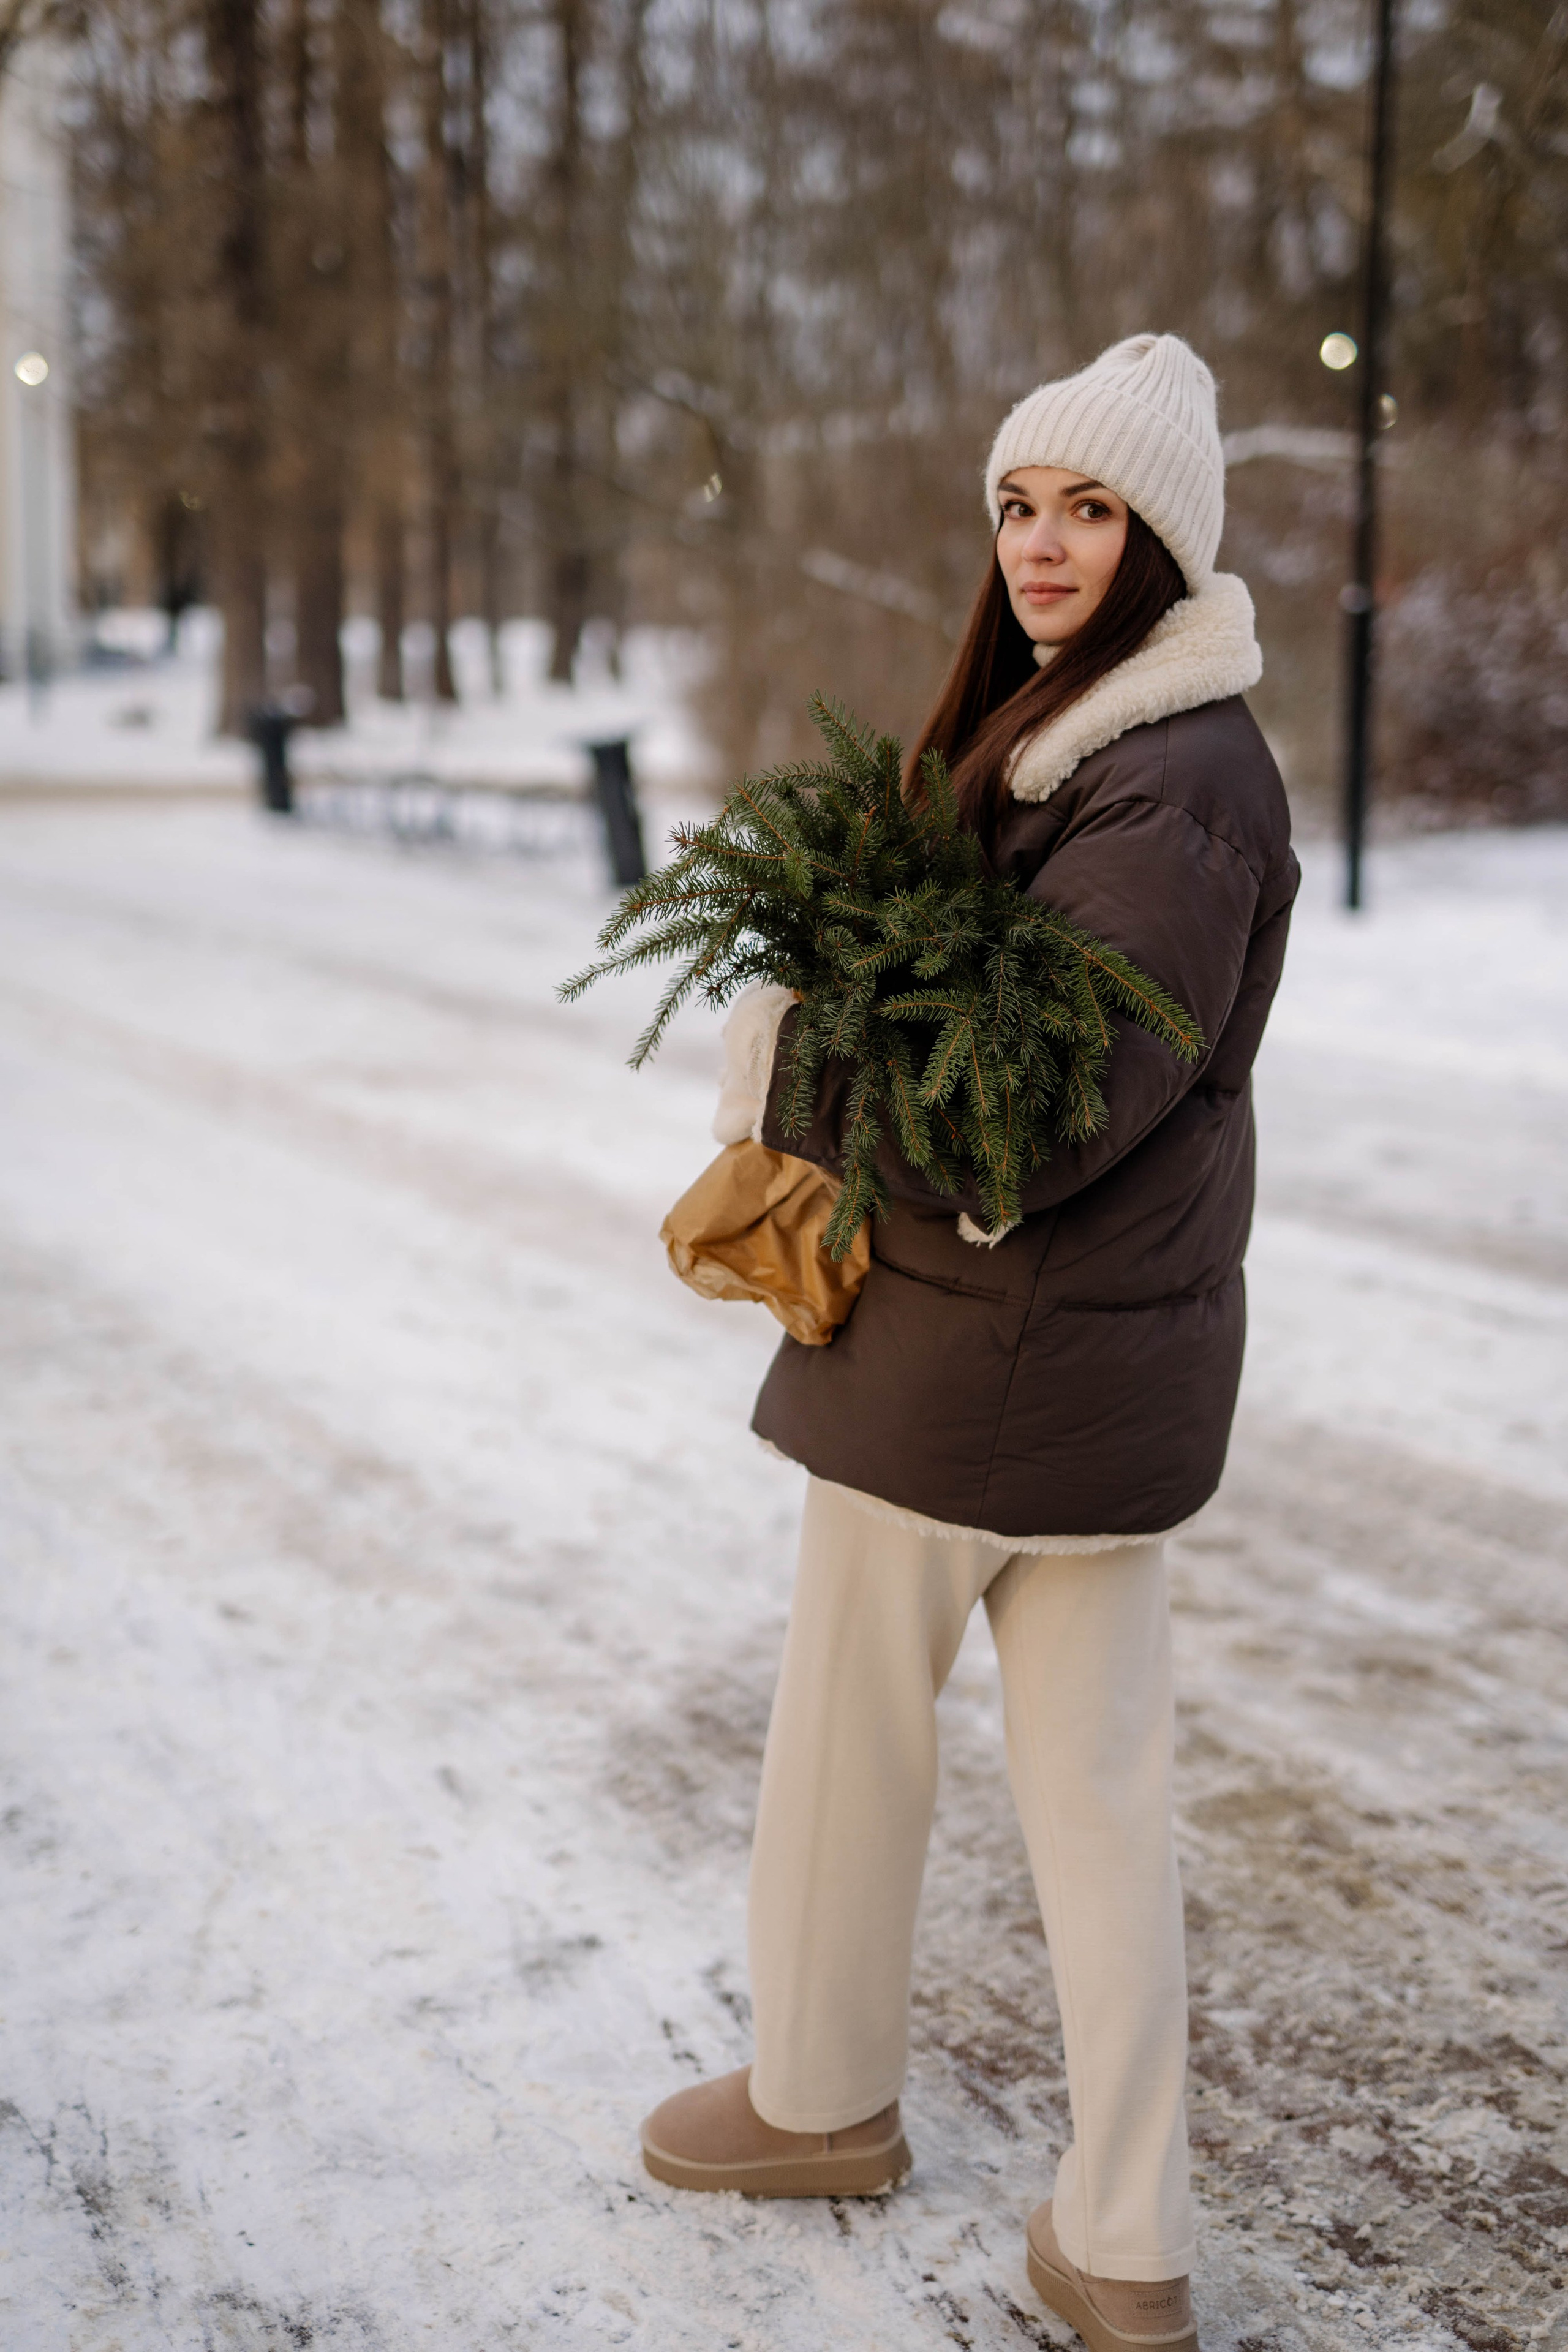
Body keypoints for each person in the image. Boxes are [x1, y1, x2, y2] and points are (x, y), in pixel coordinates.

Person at [639, 333, 1299, 2352]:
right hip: (1081, 1371)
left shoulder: (1175, 781)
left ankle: (823, 2102)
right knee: (1100, 1803)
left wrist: (786, 1058)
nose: (1039, 542)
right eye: (1020, 503)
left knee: (852, 1745)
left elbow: (1028, 1111)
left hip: (981, 1357)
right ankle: (1127, 2238)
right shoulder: (1086, 742)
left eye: (1090, 509)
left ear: (1164, 541)